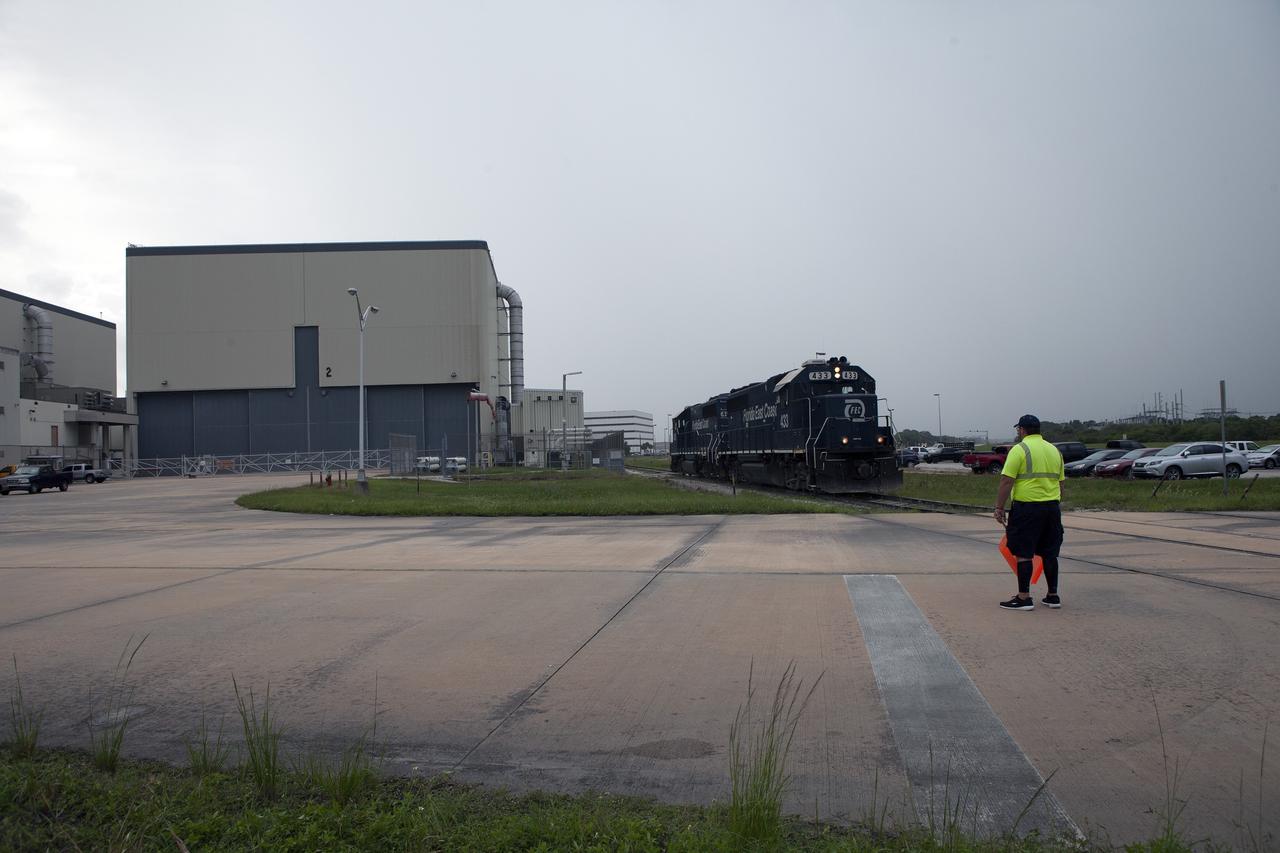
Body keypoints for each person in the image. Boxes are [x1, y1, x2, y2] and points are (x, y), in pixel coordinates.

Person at [993, 414, 1065, 611]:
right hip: (1051, 508)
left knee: (1023, 552)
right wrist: (1055, 504)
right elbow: (1061, 483)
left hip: (1027, 508)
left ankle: (1024, 598)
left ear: (1022, 430)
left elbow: (1007, 481)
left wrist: (999, 507)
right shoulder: (1054, 450)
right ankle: (1052, 596)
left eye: (1018, 429)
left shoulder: (1020, 450)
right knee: (1050, 553)